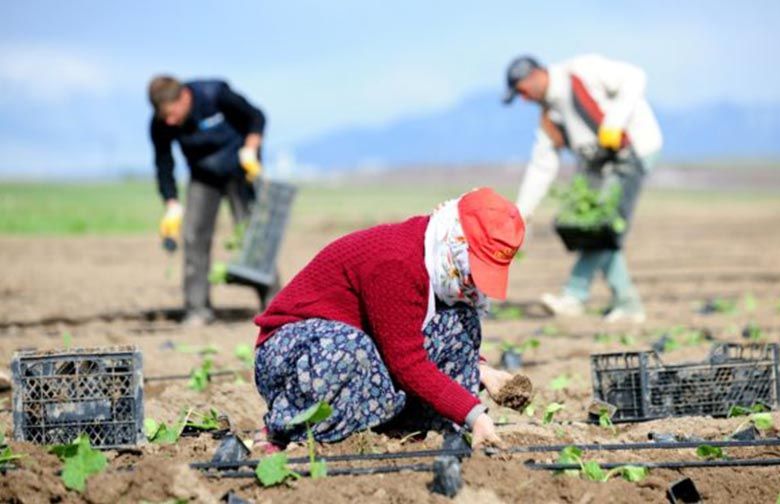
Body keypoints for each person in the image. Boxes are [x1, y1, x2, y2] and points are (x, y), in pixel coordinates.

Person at [253, 187, 524, 448]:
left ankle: (407, 427)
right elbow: (407, 362)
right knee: (349, 347)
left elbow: (427, 330)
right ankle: (285, 428)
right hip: (292, 355)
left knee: (460, 321)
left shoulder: (438, 261)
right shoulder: (397, 262)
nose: (473, 279)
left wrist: (482, 371)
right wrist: (474, 414)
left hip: (364, 349)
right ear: (457, 241)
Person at [503, 54, 663, 324]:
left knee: (601, 227)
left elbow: (636, 76)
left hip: (633, 151)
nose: (524, 99)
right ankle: (620, 303)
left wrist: (614, 122)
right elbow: (542, 166)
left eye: (522, 91)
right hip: (600, 164)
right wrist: (522, 212)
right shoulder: (550, 116)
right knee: (594, 227)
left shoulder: (581, 70)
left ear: (534, 76)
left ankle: (580, 298)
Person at [148, 75, 279, 325]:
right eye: (164, 117)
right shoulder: (160, 123)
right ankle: (197, 309)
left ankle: (273, 304)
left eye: (173, 114)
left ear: (185, 97)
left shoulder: (215, 95)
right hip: (203, 175)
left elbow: (256, 117)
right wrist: (171, 203)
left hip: (240, 168)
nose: (170, 121)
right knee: (193, 236)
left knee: (254, 236)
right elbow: (164, 163)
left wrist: (251, 148)